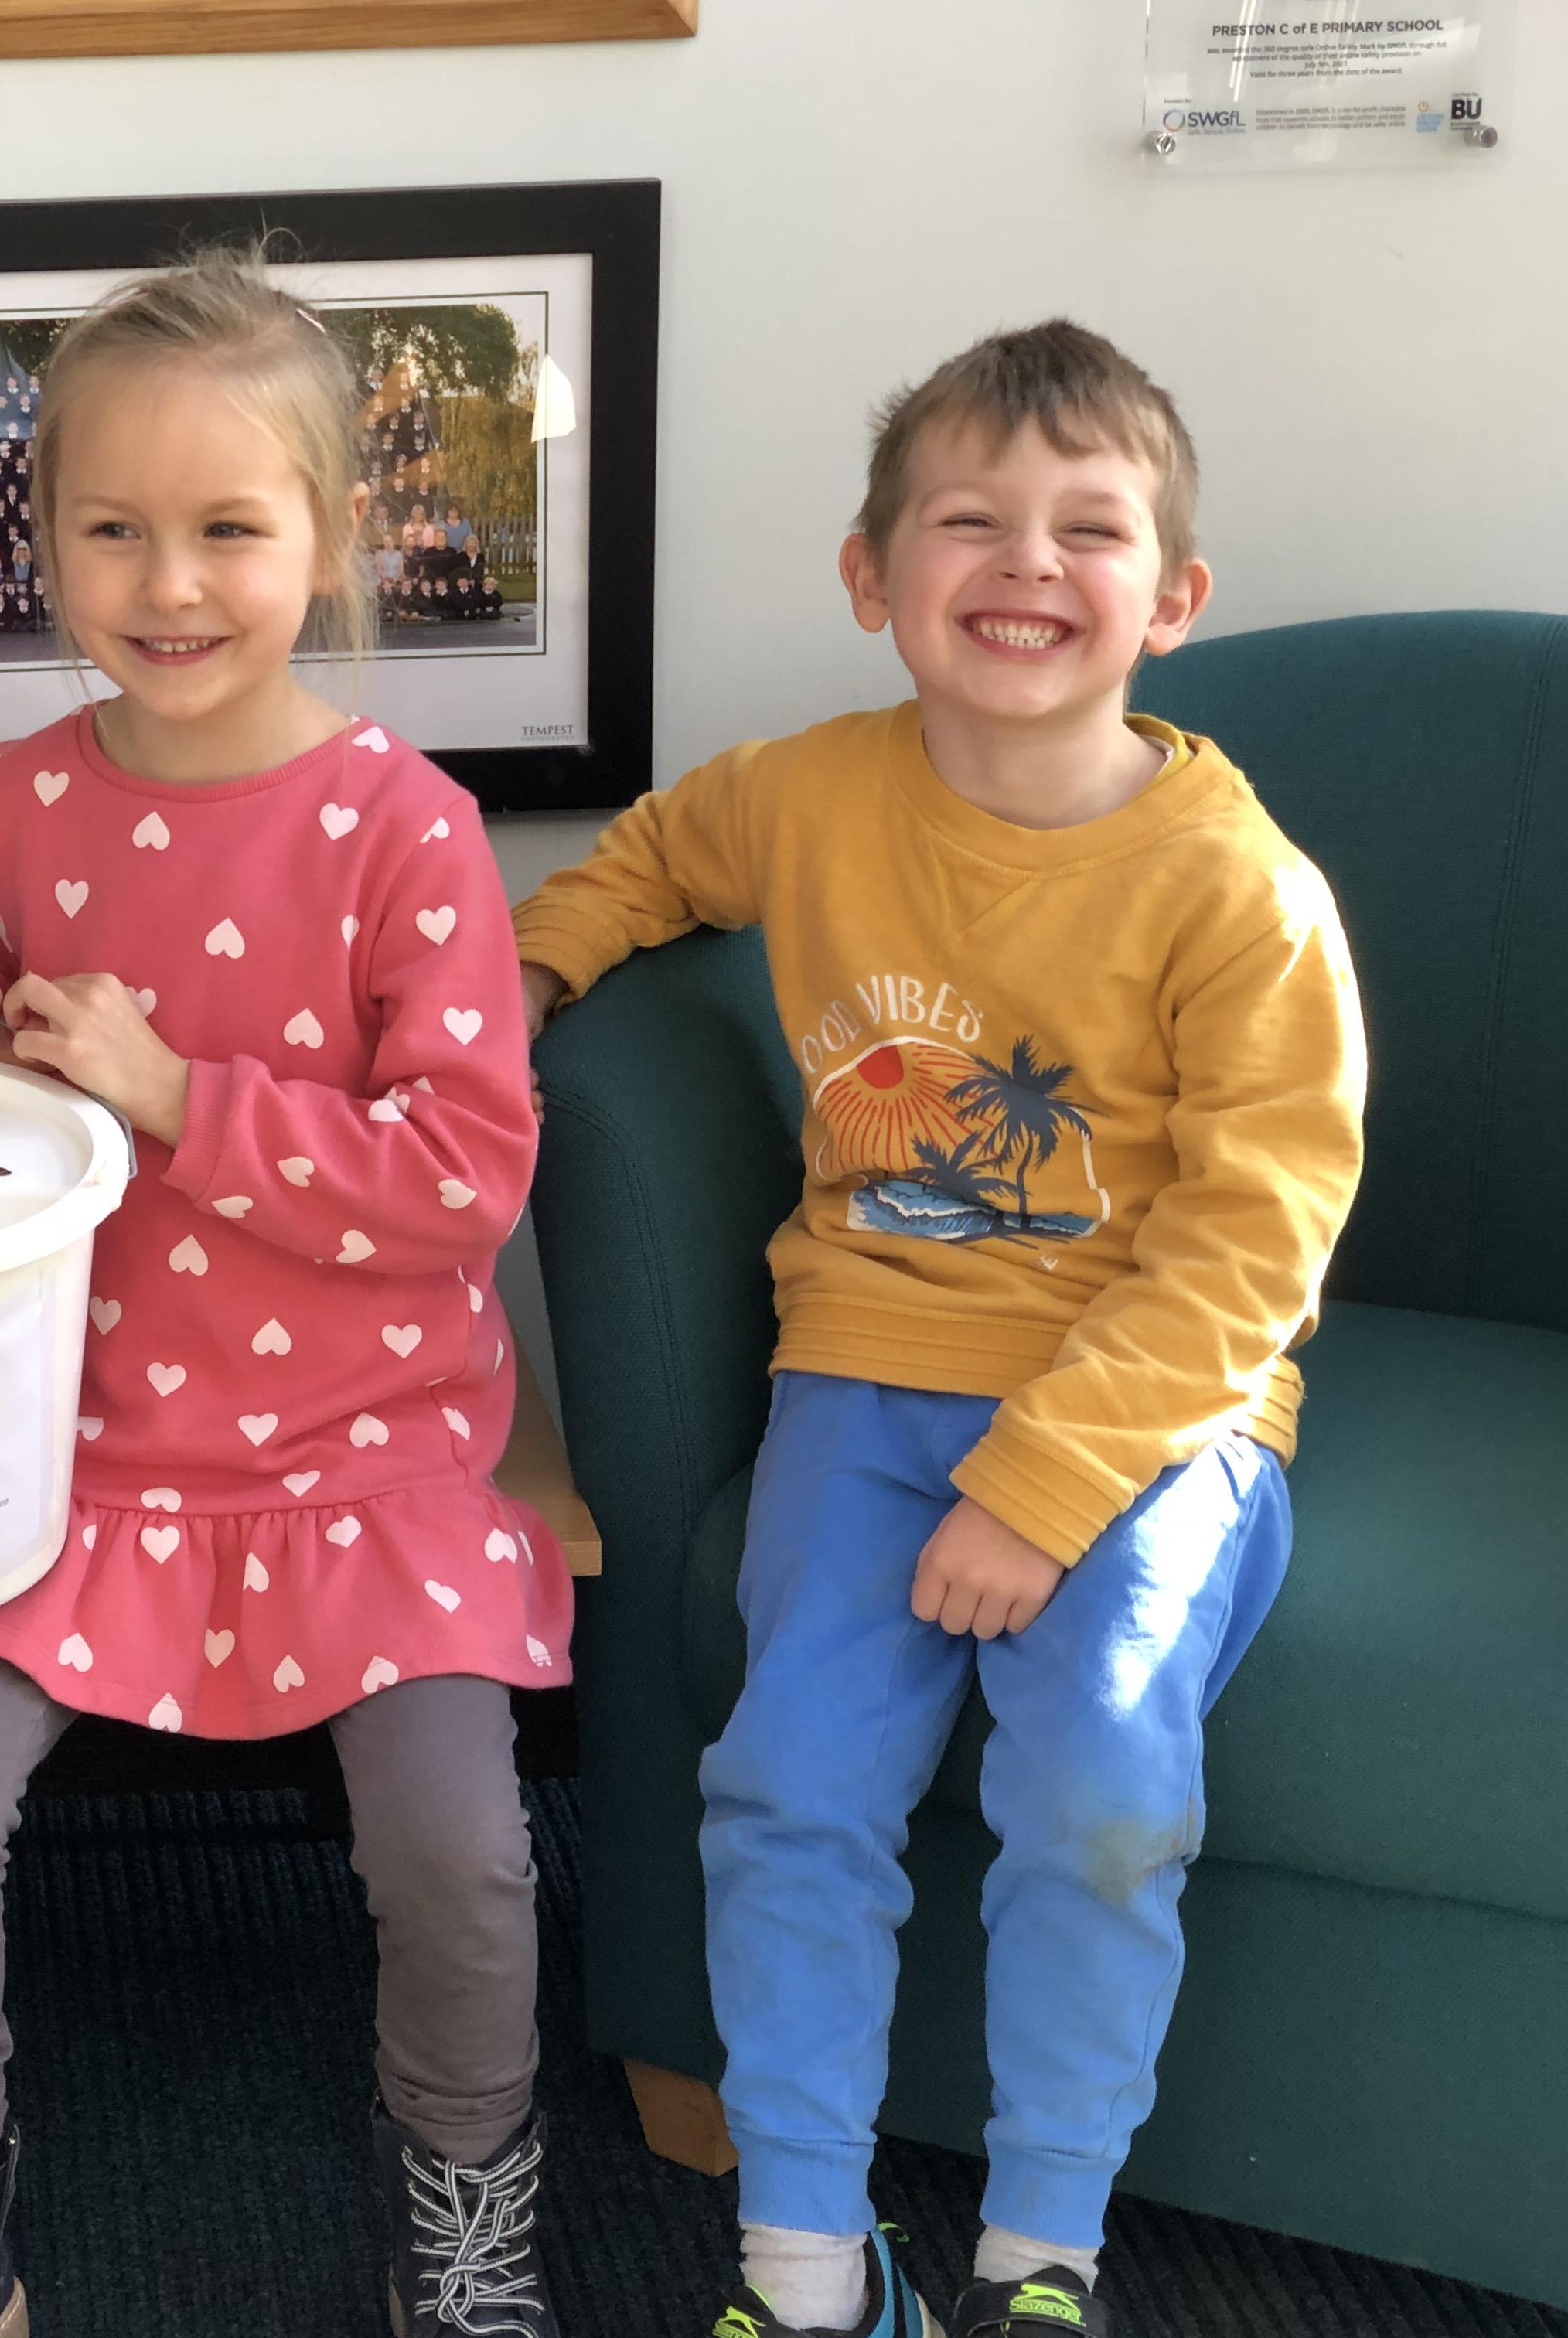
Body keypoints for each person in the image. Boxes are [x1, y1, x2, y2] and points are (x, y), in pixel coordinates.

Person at [512, 321, 1364, 2338]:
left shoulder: (1241, 890)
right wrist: (526, 977)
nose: (1027, 563)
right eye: (970, 521)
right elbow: (647, 862)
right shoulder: (809, 793)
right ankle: (807, 2266)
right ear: (871, 574)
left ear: (1172, 597)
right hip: (866, 1374)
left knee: (1100, 1796)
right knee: (790, 1788)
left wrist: (1043, 1489)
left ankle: (1043, 2256)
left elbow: (1257, 1240)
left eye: (1089, 529)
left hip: (1146, 1413)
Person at [0, 247, 569, 2338]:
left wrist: (182, 1096)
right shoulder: (10, 809)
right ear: (45, 534)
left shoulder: (406, 829)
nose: (169, 585)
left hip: (365, 1468)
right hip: (66, 1458)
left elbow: (466, 1182)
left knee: (462, 1847)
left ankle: (467, 2193)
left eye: (229, 528)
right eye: (113, 530)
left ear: (329, 537)